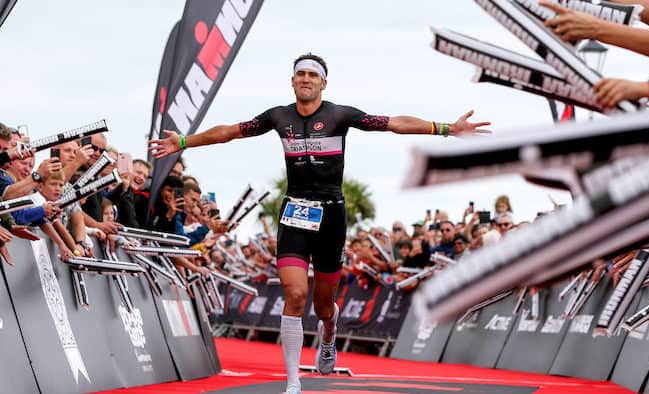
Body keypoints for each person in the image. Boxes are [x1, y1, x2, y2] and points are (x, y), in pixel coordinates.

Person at [149, 53, 490, 394]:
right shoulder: (278, 117)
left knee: (323, 306)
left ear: (323, 83)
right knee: (295, 293)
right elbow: (230, 132)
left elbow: (393, 124)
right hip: (294, 214)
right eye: (301, 74)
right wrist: (182, 141)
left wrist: (446, 129)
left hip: (331, 216)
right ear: (293, 81)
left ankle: (329, 332)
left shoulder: (339, 115)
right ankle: (294, 380)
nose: (306, 79)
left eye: (313, 75)